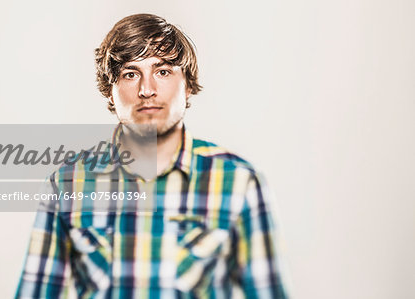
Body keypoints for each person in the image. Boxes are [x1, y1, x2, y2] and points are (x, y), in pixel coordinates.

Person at [15, 13, 290, 298]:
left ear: (188, 84)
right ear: (110, 92)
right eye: (130, 74)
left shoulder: (239, 183)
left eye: (163, 71)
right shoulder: (67, 184)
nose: (147, 90)